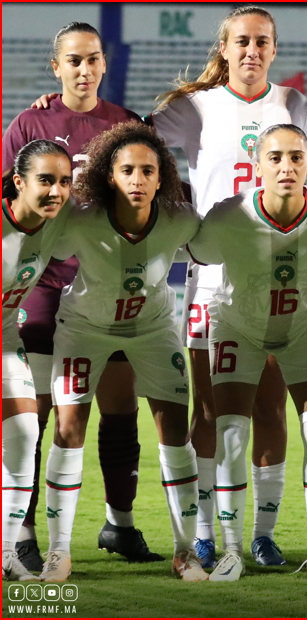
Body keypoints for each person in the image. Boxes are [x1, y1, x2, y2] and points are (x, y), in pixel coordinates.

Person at [144, 5, 307, 569]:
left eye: (261, 41)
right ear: (224, 48)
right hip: (212, 275)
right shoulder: (193, 106)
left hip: (278, 275)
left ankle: (262, 534)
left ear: (273, 49)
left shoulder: (292, 104)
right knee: (210, 412)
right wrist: (176, 210)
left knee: (271, 409)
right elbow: (131, 149)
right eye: (242, 41)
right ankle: (206, 533)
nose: (251, 50)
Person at [3, 22, 161, 568]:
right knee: (40, 414)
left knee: (119, 407)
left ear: (104, 62)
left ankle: (120, 525)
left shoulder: (127, 123)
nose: (84, 69)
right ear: (56, 67)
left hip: (107, 284)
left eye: (92, 58)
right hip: (43, 284)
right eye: (73, 60)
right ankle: (22, 532)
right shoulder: (30, 123)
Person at [39, 122, 206, 583]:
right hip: (85, 329)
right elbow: (40, 243)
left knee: (175, 432)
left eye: (147, 171)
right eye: (127, 170)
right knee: (68, 429)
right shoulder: (81, 219)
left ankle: (186, 552)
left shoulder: (181, 220)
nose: (137, 179)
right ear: (109, 176)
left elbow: (217, 247)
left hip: (152, 330)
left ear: (161, 177)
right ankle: (58, 553)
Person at [184, 124, 307, 581]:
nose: (286, 167)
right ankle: (231, 550)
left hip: (306, 327)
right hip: (237, 326)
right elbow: (195, 251)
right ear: (257, 166)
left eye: (296, 157)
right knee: (230, 432)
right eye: (275, 158)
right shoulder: (229, 214)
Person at [2, 140, 73, 581]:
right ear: (18, 182)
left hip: (6, 337)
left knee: (26, 434)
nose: (56, 191)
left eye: (64, 181)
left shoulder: (61, 217)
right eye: (45, 180)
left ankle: (7, 551)